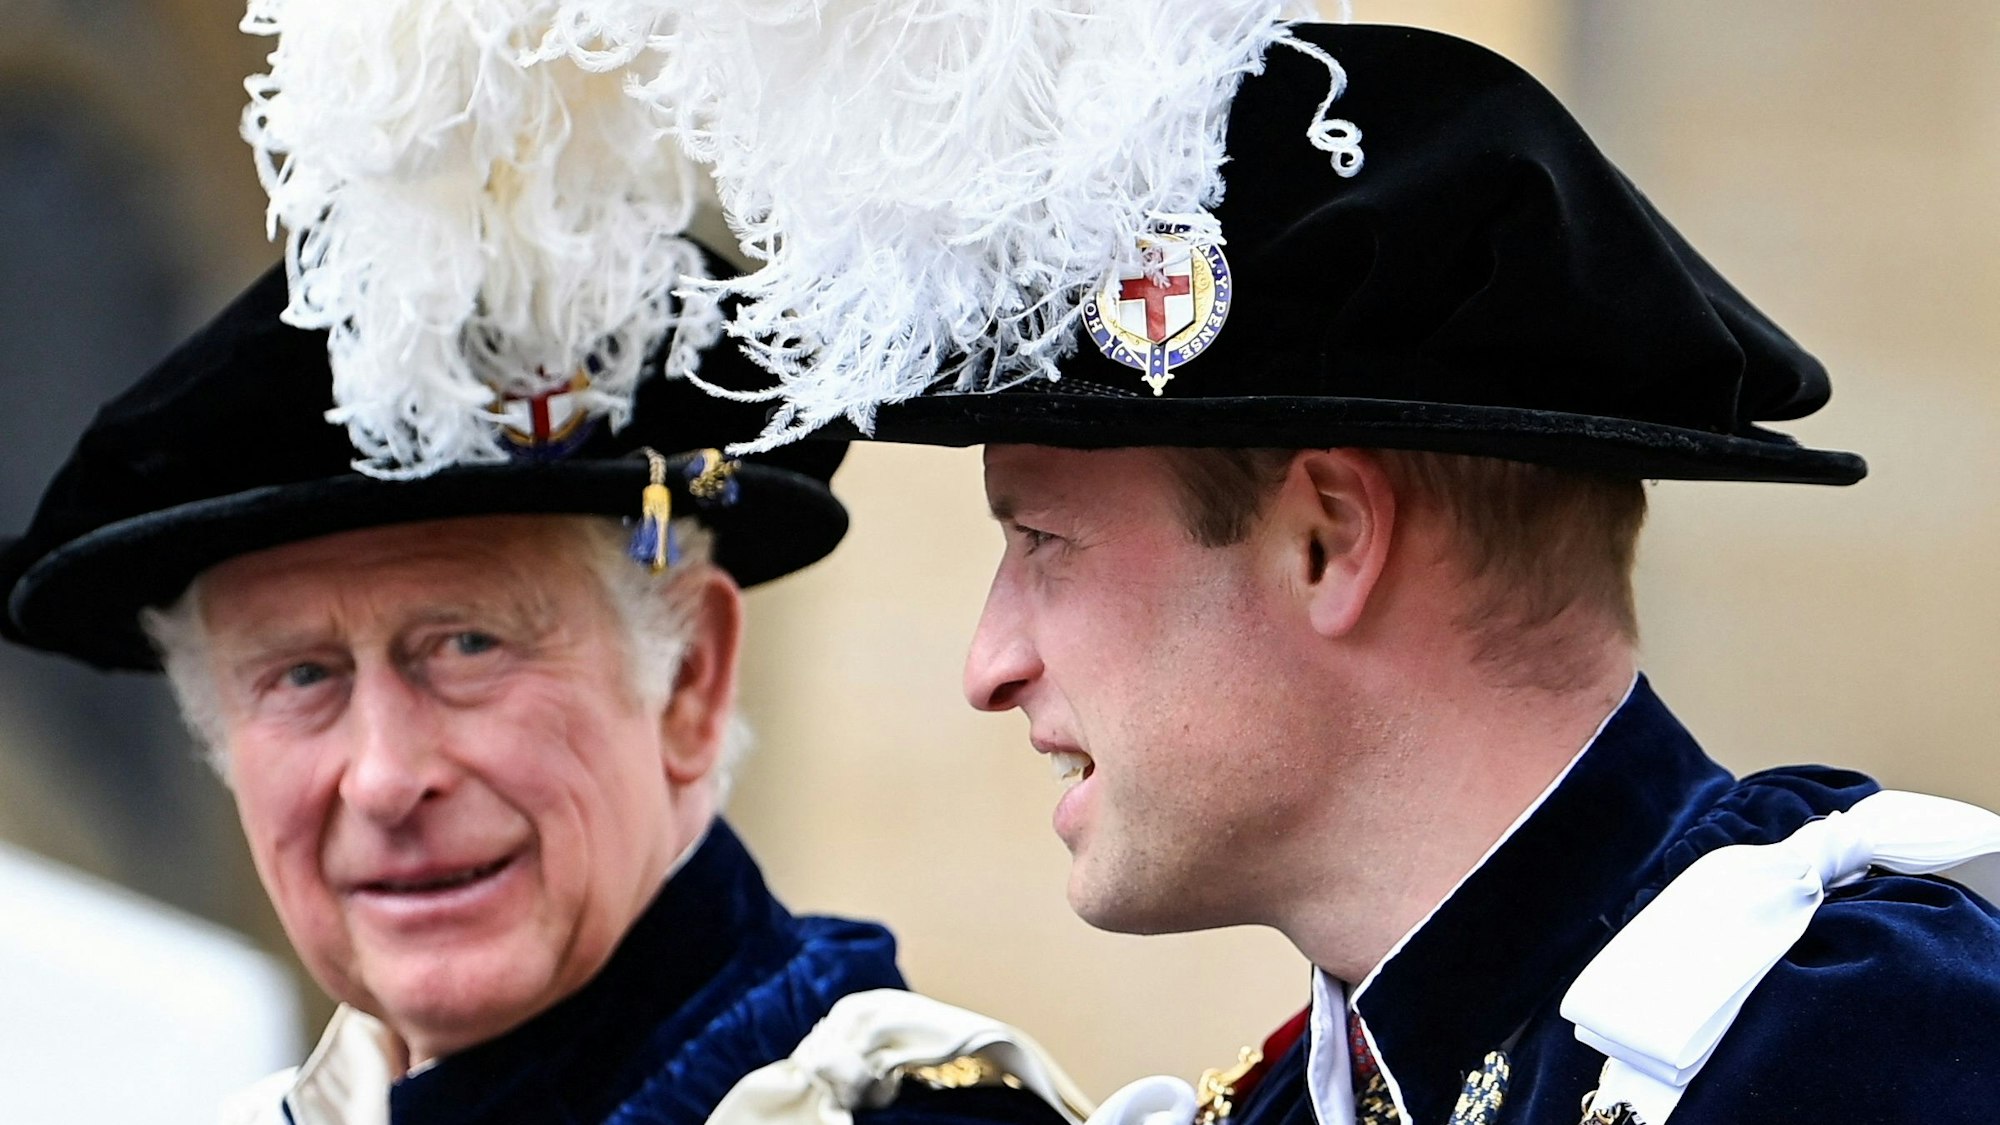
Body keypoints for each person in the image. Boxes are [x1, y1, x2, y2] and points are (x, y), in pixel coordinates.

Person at [625, 13, 2000, 1125]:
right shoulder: (1303, 1095)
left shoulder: (1856, 1046)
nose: (991, 663)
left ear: (1326, 539)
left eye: (1042, 540)